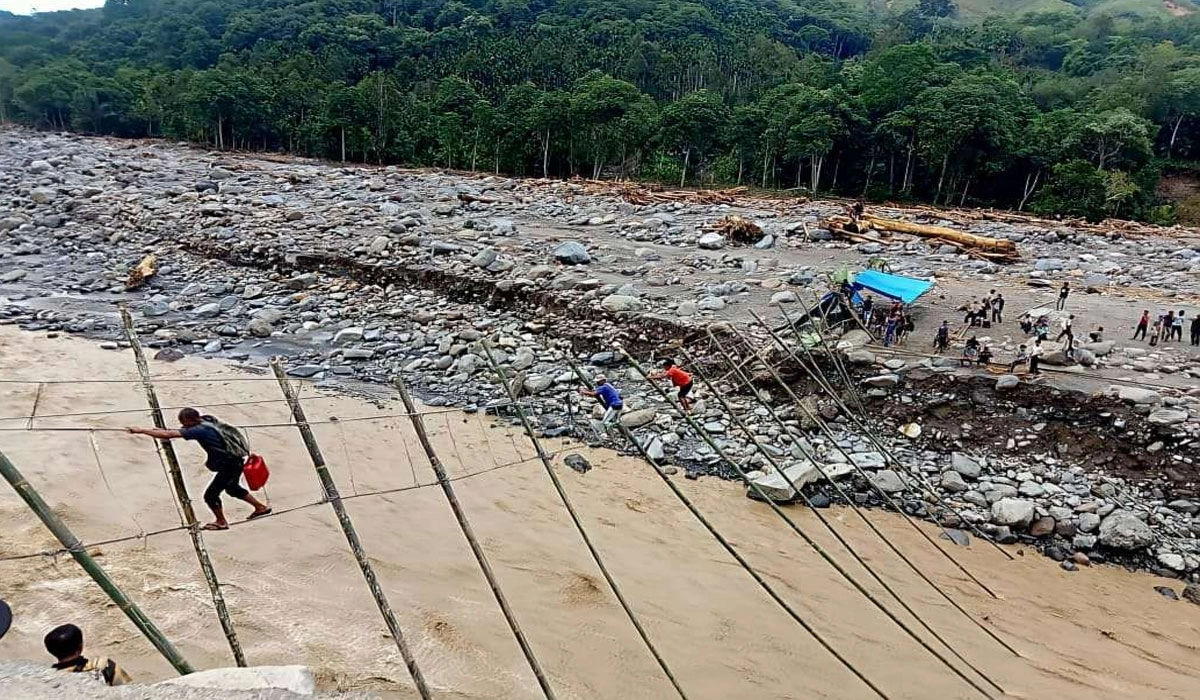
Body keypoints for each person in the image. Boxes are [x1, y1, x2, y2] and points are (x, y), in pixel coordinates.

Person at [127, 409, 270, 531]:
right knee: (232, 488)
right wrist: (162, 431)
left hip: (229, 465)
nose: (183, 425)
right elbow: (176, 431)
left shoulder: (200, 430)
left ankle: (221, 522)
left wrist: (141, 431)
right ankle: (260, 507)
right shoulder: (208, 421)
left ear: (190, 420)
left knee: (210, 495)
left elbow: (170, 435)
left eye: (184, 422)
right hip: (236, 461)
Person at [44, 624, 131, 687]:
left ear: (50, 651)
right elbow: (128, 690)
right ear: (80, 646)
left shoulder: (48, 677)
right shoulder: (103, 665)